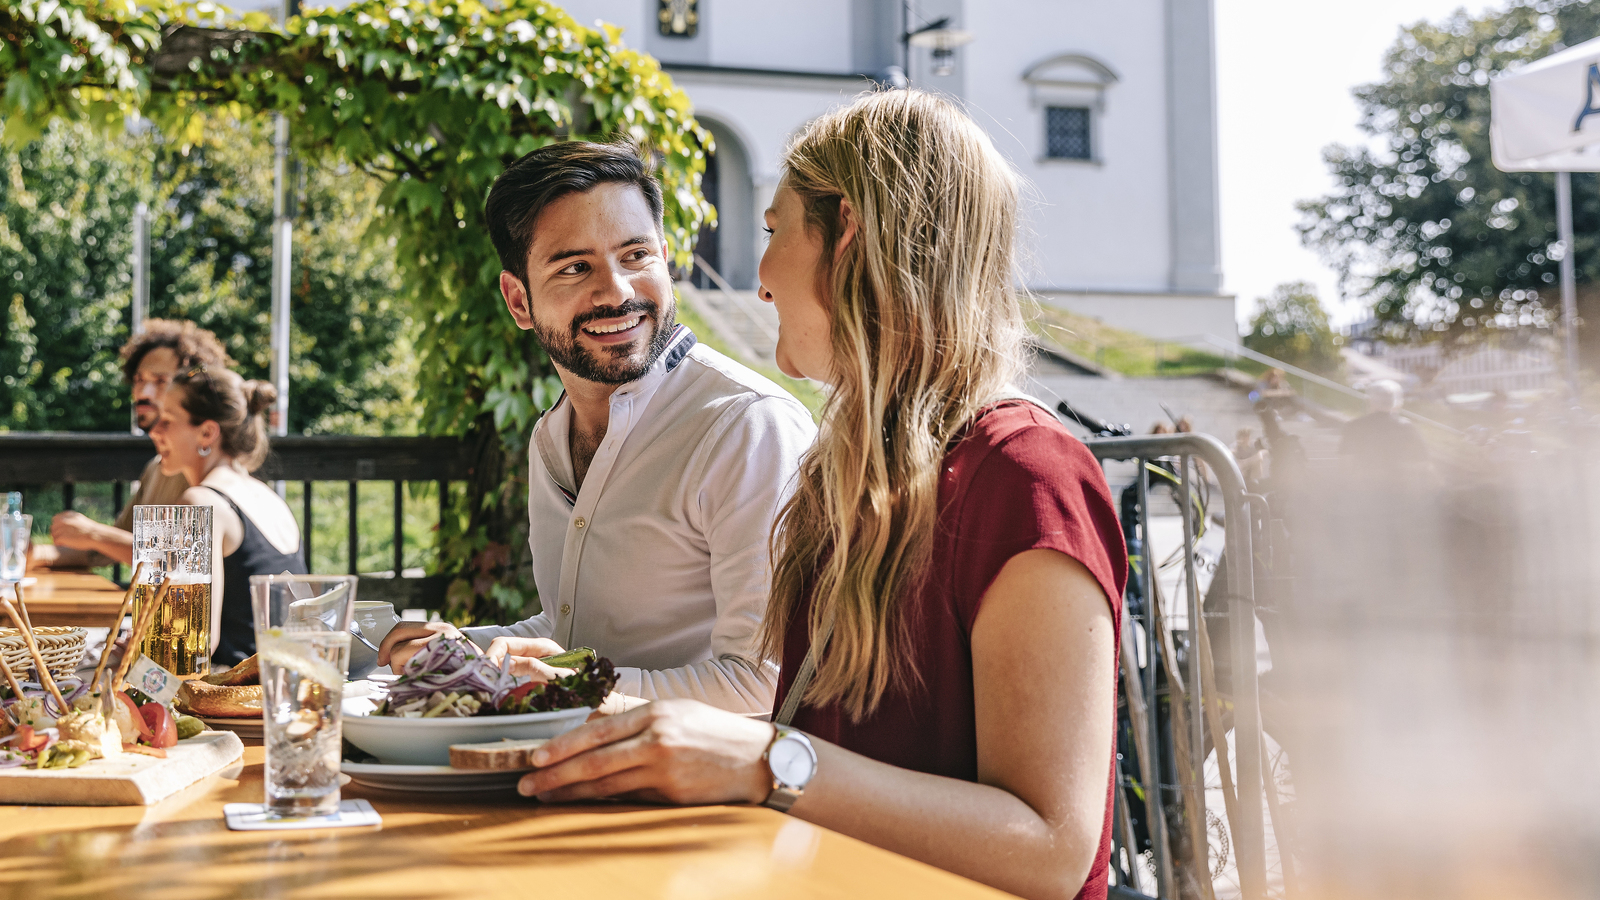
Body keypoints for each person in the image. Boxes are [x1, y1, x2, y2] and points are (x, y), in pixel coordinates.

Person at [515, 91, 1128, 900]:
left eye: (773, 232)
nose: (759, 279)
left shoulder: (1026, 476)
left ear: (848, 235)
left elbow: (1051, 850)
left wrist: (767, 759)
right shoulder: (845, 480)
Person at [378, 140, 816, 715]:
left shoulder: (746, 425)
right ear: (519, 301)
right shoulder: (549, 438)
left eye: (636, 256)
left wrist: (564, 683)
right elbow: (575, 629)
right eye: (575, 267)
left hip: (693, 798)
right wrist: (467, 648)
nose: (617, 292)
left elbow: (763, 683)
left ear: (665, 257)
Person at [28, 320, 231, 568]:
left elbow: (179, 562)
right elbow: (107, 550)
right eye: (138, 379)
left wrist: (95, 533)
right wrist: (36, 554)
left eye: (160, 381)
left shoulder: (217, 476)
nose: (143, 392)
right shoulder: (158, 467)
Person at [148, 366, 306, 665]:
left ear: (207, 432)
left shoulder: (199, 502)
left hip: (224, 697)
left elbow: (187, 644)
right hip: (279, 688)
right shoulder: (268, 496)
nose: (155, 430)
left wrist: (134, 658)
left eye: (167, 420)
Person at [1340, 379, 1429, 470]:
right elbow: (1422, 460)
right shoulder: (1406, 427)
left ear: (1370, 400)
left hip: (1364, 479)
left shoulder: (1354, 425)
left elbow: (1346, 459)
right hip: (1397, 480)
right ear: (1397, 402)